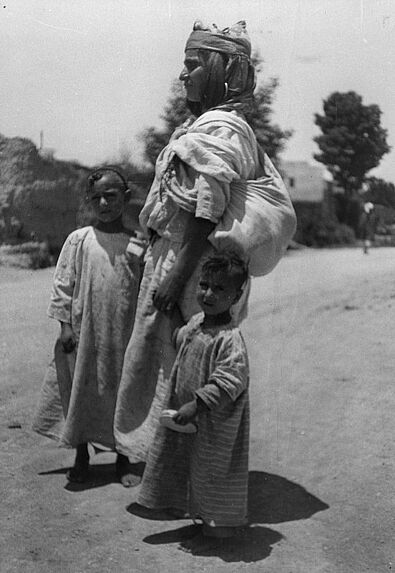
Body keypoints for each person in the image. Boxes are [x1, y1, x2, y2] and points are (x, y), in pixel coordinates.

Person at [114, 20, 261, 460]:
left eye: (193, 66)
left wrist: (178, 277)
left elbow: (206, 209)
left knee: (194, 365)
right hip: (174, 256)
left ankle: (200, 477)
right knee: (163, 365)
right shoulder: (198, 125)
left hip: (195, 265)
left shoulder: (223, 129)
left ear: (220, 72)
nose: (183, 75)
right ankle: (164, 468)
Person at [33, 167, 144, 485]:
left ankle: (123, 458)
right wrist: (65, 326)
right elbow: (63, 284)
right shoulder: (79, 240)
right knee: (81, 390)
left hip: (122, 333)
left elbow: (141, 286)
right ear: (88, 202)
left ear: (125, 197)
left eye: (111, 196)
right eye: (97, 198)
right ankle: (81, 455)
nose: (104, 203)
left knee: (121, 392)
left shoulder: (135, 243)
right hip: (84, 332)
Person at [137, 253, 250, 546]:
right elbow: (179, 337)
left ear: (236, 296)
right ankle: (198, 517)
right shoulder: (198, 323)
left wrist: (197, 404)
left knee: (214, 472)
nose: (208, 294)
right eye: (204, 285)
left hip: (214, 424)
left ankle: (219, 528)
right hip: (191, 420)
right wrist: (171, 309)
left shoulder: (230, 340)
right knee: (190, 466)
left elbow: (229, 382)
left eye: (220, 289)